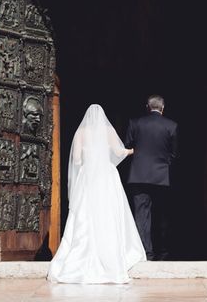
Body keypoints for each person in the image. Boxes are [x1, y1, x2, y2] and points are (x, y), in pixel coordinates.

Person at [48, 104, 146, 284]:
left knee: (85, 214)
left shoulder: (80, 133)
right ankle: (112, 256)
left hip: (88, 176)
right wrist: (133, 151)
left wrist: (86, 162)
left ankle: (80, 257)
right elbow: (118, 152)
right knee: (108, 212)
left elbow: (76, 159)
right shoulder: (108, 131)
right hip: (107, 176)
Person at [125, 94, 178, 261]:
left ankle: (145, 253)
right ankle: (163, 252)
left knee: (141, 215)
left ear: (147, 107)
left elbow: (127, 146)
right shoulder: (172, 126)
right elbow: (174, 153)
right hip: (162, 177)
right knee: (163, 215)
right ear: (163, 108)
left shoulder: (135, 123)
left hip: (139, 176)